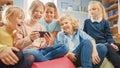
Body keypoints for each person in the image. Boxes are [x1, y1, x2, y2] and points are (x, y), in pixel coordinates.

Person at [83, 1, 120, 68]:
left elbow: (109, 36)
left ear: (100, 10)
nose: (91, 11)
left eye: (94, 9)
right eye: (89, 10)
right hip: (96, 45)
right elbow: (84, 35)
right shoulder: (87, 22)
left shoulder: (105, 22)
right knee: (109, 47)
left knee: (117, 45)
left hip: (106, 42)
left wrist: (112, 43)